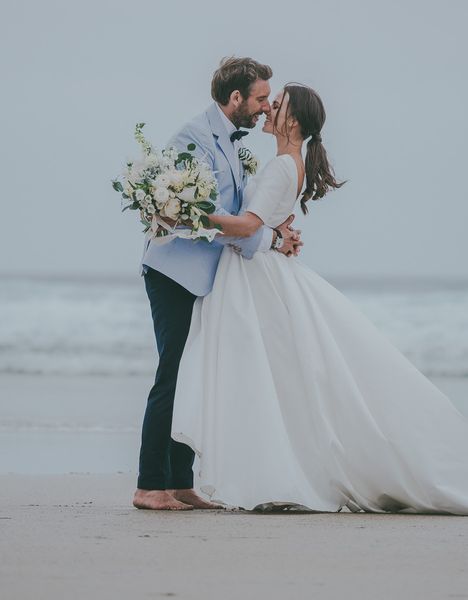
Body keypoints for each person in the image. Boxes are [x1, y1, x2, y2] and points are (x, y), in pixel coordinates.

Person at [171, 83, 468, 515]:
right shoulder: (289, 164)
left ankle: (277, 474)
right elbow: (262, 228)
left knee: (266, 381)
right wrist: (276, 237)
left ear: (293, 120)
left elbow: (247, 226)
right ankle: (275, 470)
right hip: (258, 273)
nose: (269, 107)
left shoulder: (281, 168)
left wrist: (185, 214)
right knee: (279, 382)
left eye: (278, 104)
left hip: (256, 282)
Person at [133, 58, 302, 511]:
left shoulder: (229, 142)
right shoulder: (193, 138)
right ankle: (150, 485)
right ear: (235, 98)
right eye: (261, 98)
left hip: (207, 278)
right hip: (174, 273)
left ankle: (181, 482)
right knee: (172, 372)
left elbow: (237, 216)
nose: (266, 107)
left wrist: (273, 234)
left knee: (194, 374)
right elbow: (196, 219)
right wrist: (266, 239)